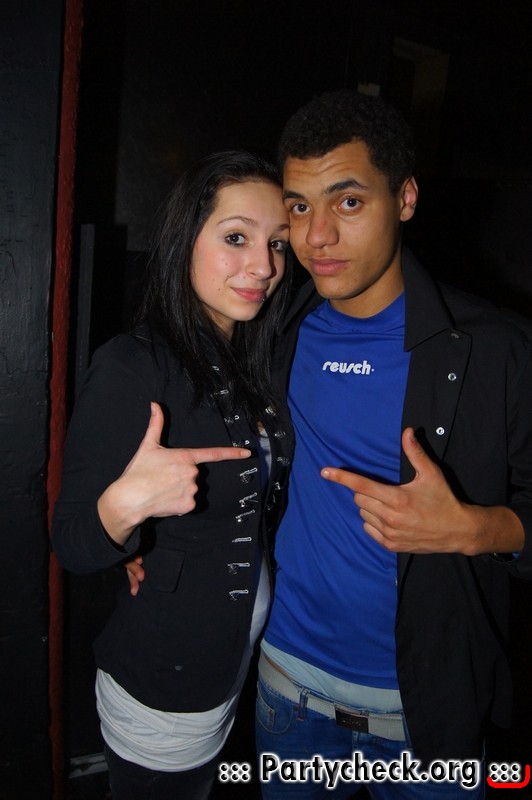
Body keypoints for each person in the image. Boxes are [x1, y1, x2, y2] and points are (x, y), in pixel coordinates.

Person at [252, 90, 532, 799]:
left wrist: (475, 529)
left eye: (348, 202)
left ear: (404, 198)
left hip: (429, 716)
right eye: (299, 206)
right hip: (287, 693)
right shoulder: (272, 328)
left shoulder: (495, 350)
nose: (317, 236)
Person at [51, 150, 294, 800]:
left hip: (236, 660)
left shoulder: (252, 358)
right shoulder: (133, 366)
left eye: (277, 243)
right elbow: (71, 541)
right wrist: (125, 508)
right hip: (164, 686)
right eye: (236, 238)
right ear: (186, 238)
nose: (263, 266)